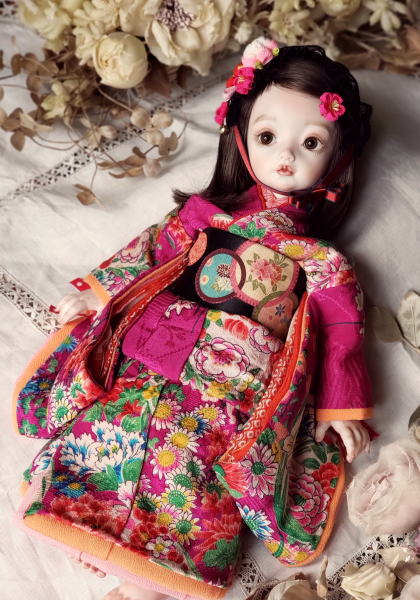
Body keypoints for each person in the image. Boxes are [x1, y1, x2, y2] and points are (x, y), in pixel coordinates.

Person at [15, 38, 373, 600]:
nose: (285, 156)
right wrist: (98, 292)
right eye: (267, 137)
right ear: (241, 138)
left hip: (233, 386)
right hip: (154, 346)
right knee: (112, 429)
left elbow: (342, 336)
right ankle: (90, 528)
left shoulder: (323, 264)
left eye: (311, 143)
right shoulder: (201, 219)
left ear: (339, 156)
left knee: (191, 467)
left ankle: (151, 577)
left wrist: (339, 407)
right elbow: (150, 252)